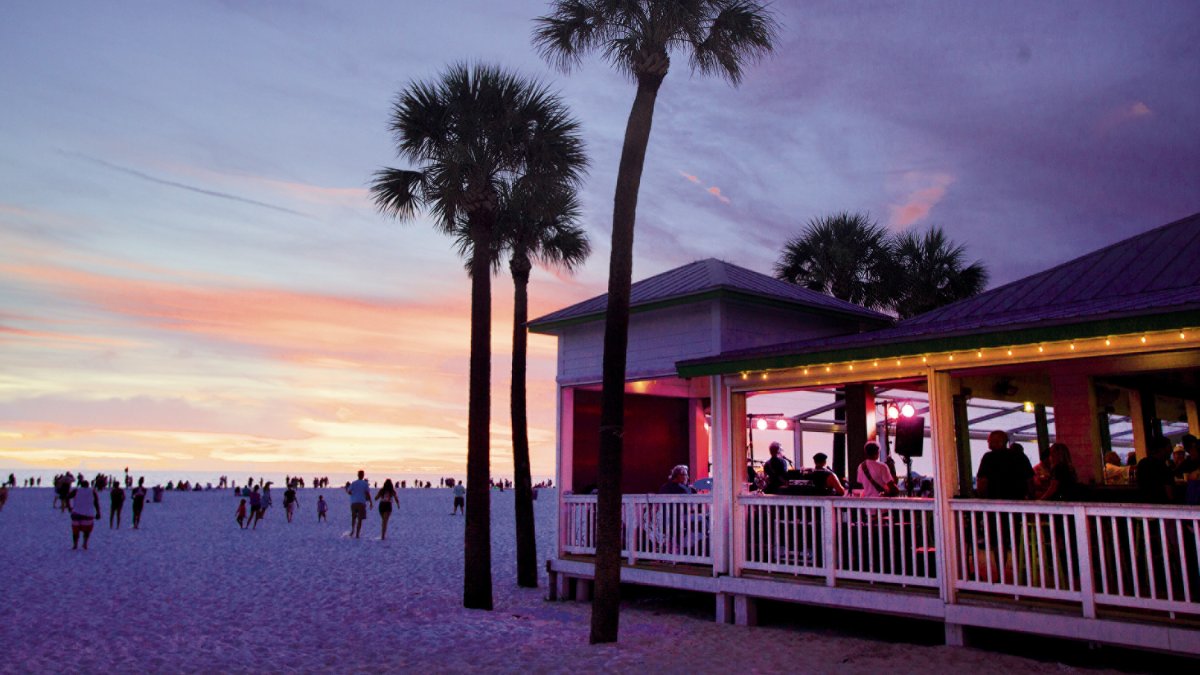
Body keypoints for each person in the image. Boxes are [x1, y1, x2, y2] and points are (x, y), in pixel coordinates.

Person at [975, 430, 1034, 499]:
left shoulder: (989, 457)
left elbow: (982, 481)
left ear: (999, 442)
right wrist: (1031, 497)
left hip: (995, 500)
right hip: (1018, 500)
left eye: (990, 441)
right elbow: (1030, 480)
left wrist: (983, 499)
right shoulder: (1020, 456)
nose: (988, 443)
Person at [1136, 436, 1175, 504]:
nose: (1171, 450)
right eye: (1169, 447)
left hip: (1145, 505)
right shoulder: (1164, 467)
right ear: (1161, 449)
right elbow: (1169, 493)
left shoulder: (1142, 463)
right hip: (1162, 505)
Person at [68, 478, 101, 550]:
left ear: (81, 485)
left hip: (76, 513)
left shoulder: (76, 490)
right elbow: (96, 503)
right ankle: (85, 543)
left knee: (75, 531)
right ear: (88, 485)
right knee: (87, 531)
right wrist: (98, 513)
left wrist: (69, 507)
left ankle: (75, 545)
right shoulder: (93, 491)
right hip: (88, 514)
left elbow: (68, 497)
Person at [347, 470, 372, 539]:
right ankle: (357, 534)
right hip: (361, 502)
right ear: (363, 475)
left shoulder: (354, 483)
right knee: (360, 519)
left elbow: (348, 491)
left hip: (354, 502)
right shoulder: (365, 483)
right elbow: (367, 493)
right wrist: (370, 502)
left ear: (357, 475)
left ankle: (352, 530)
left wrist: (352, 495)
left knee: (353, 517)